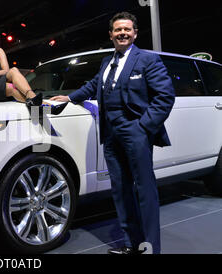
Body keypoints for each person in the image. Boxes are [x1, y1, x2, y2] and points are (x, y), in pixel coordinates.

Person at [51, 12, 175, 254]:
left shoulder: (147, 60)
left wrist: (143, 127)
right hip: (110, 133)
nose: (123, 33)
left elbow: (165, 96)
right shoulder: (108, 62)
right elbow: (94, 85)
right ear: (111, 35)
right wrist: (69, 97)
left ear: (135, 33)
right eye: (118, 30)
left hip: (135, 130)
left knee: (144, 190)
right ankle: (131, 244)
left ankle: (150, 248)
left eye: (127, 29)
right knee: (120, 190)